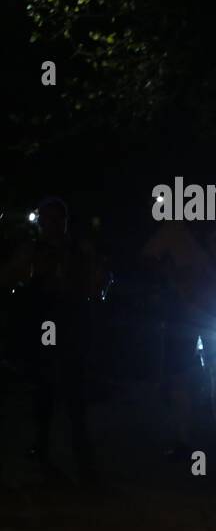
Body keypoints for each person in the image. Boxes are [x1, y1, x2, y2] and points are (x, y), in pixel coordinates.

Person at [0, 197, 110, 483]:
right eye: (47, 220)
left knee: (72, 394)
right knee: (46, 391)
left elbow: (98, 281)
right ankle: (46, 453)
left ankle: (78, 459)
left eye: (55, 220)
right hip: (45, 323)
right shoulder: (35, 250)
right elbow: (11, 277)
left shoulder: (76, 250)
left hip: (70, 323)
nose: (51, 225)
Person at [141, 212, 216, 457]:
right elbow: (148, 258)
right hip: (190, 311)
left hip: (213, 311)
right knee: (184, 376)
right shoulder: (177, 230)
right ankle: (190, 438)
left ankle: (215, 434)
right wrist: (172, 276)